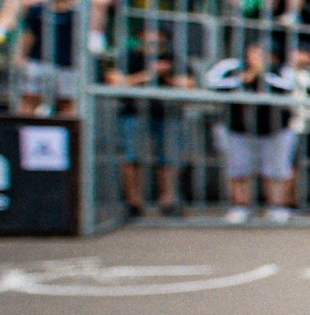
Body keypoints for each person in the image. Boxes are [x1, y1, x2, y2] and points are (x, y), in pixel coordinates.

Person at [205, 39, 296, 224]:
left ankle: (276, 207)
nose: (258, 56)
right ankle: (240, 207)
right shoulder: (230, 66)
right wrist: (246, 76)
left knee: (276, 171)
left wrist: (262, 73)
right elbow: (211, 83)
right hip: (237, 129)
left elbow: (288, 87)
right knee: (238, 170)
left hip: (274, 130)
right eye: (255, 51)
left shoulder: (281, 69)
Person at [110, 26, 190, 218]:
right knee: (131, 158)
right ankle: (133, 202)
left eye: (158, 35)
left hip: (167, 114)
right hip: (133, 113)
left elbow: (189, 84)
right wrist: (148, 74)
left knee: (169, 160)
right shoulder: (129, 57)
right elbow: (114, 81)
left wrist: (166, 77)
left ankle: (168, 201)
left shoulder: (174, 59)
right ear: (140, 35)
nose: (153, 39)